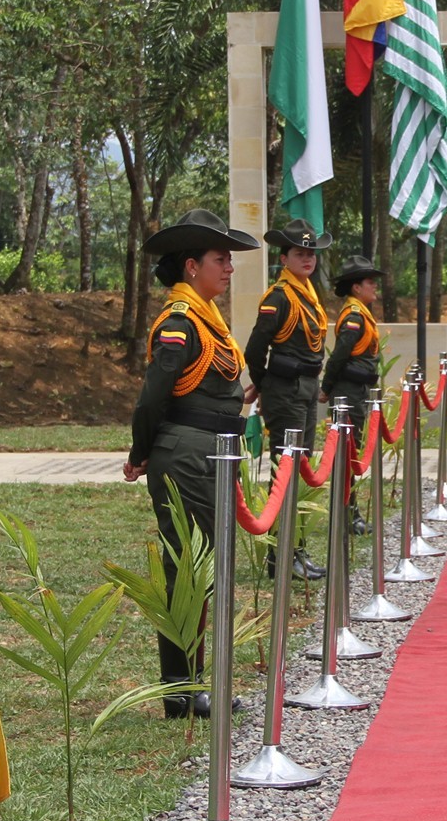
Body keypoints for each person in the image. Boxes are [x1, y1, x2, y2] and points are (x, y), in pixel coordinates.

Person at [125, 208, 260, 718]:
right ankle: (181, 691)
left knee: (200, 568)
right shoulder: (180, 323)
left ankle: (189, 686)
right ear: (190, 267)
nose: (229, 268)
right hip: (186, 451)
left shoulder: (205, 317)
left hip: (210, 451)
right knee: (188, 568)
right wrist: (140, 452)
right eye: (220, 259)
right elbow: (152, 396)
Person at [244, 217, 331, 582]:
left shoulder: (309, 294)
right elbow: (254, 349)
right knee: (286, 472)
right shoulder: (279, 297)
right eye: (299, 253)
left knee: (299, 469)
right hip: (286, 389)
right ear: (285, 259)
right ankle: (280, 556)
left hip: (307, 388)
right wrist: (264, 386)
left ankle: (295, 549)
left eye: (311, 252)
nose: (307, 258)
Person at [322, 257, 383, 535]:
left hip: (356, 391)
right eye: (370, 283)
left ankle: (350, 512)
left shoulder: (360, 313)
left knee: (352, 453)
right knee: (347, 455)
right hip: (347, 392)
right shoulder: (354, 317)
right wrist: (326, 387)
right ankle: (347, 514)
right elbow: (338, 357)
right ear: (356, 287)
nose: (375, 288)